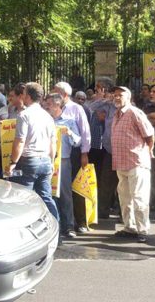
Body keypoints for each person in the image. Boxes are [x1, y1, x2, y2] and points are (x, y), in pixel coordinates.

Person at [8, 82, 59, 220]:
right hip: (45, 161)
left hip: (29, 161)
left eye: (24, 94)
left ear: (28, 96)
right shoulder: (47, 116)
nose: (22, 96)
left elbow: (20, 141)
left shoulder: (24, 115)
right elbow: (53, 141)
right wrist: (52, 160)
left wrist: (13, 162)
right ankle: (56, 227)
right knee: (46, 197)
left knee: (25, 198)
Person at [110, 86, 154, 243]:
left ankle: (143, 229)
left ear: (128, 97)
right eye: (114, 95)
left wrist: (149, 151)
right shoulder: (116, 114)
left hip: (136, 162)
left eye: (120, 95)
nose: (116, 97)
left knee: (139, 197)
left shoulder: (135, 112)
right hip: (121, 163)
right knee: (125, 198)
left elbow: (149, 134)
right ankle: (130, 227)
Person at [53, 81, 92, 233]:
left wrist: (84, 153)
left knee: (75, 188)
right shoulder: (50, 109)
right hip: (57, 155)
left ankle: (80, 222)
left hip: (74, 152)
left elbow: (85, 132)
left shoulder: (76, 109)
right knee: (58, 189)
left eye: (56, 92)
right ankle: (62, 221)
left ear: (64, 95)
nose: (53, 95)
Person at [46, 93, 82, 239]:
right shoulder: (45, 120)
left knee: (65, 194)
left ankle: (68, 226)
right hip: (47, 160)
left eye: (48, 104)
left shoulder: (69, 121)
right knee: (49, 194)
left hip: (63, 161)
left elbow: (78, 141)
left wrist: (70, 133)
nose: (46, 107)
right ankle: (54, 225)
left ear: (57, 105)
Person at [87, 76, 119, 220]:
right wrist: (105, 99)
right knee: (106, 181)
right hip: (109, 149)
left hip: (124, 150)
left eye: (98, 89)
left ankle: (122, 212)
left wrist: (115, 100)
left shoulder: (123, 104)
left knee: (123, 184)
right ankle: (103, 211)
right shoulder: (106, 105)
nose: (116, 97)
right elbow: (90, 107)